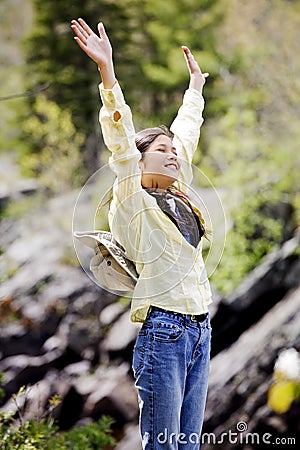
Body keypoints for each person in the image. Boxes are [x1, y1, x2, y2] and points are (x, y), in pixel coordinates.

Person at [71, 18, 213, 450]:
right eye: (162, 150)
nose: (173, 155)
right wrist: (107, 73)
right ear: (141, 161)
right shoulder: (131, 199)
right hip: (164, 334)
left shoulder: (178, 188)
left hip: (201, 331)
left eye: (173, 152)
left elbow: (186, 132)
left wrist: (195, 90)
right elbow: (119, 140)